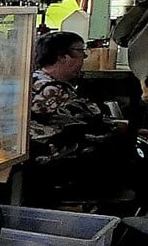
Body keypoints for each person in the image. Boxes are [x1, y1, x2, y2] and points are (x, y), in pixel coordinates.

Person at [27, 30, 135, 204]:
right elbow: (93, 123)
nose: (84, 57)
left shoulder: (33, 79)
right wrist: (128, 127)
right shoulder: (53, 90)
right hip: (50, 156)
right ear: (63, 57)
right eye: (80, 52)